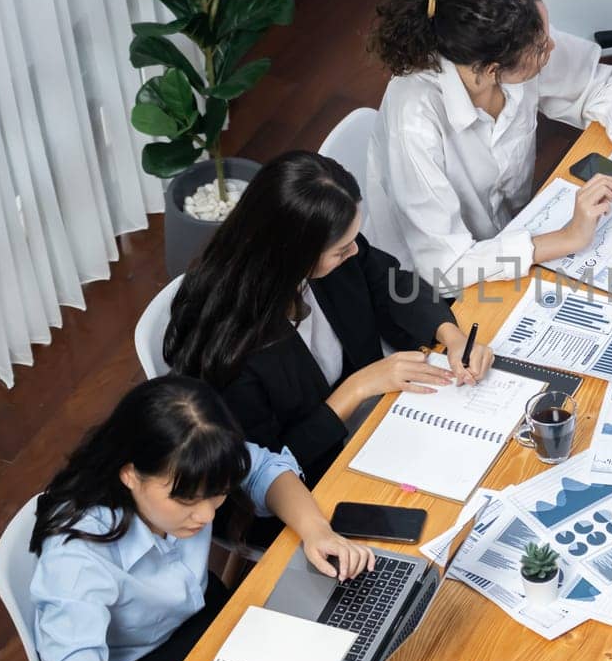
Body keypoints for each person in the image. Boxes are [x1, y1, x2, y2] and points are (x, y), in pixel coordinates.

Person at [28, 376, 375, 661]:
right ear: (129, 475)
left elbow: (263, 469)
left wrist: (316, 531)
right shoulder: (76, 556)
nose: (208, 515)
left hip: (204, 617)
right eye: (187, 500)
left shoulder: (196, 456)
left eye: (219, 494)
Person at [165, 150, 492, 489]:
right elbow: (268, 464)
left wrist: (451, 335)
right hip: (311, 477)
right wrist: (358, 387)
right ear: (293, 253)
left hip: (374, 424)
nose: (353, 252)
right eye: (341, 249)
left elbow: (391, 283)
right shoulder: (230, 342)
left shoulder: (332, 252)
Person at [363, 0, 612, 292]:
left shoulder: (510, 40)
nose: (551, 47)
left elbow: (597, 84)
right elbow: (446, 266)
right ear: (491, 70)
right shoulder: (414, 118)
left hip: (513, 237)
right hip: (429, 292)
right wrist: (569, 237)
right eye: (541, 48)